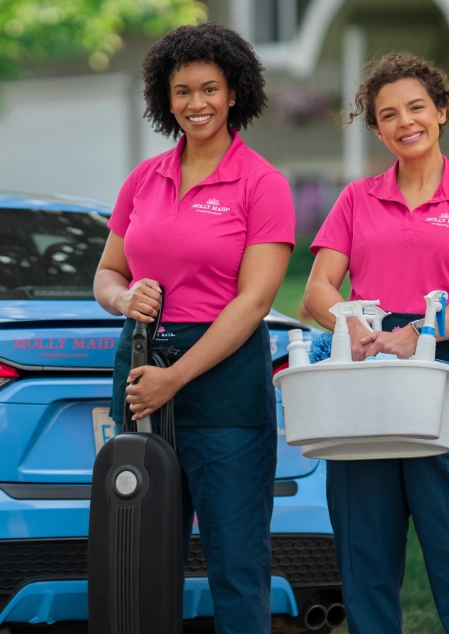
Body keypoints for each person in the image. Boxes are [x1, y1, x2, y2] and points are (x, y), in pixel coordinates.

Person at [92, 22, 295, 634]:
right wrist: (126, 296)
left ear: (235, 93)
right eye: (183, 91)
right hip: (142, 375)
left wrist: (173, 380)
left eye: (209, 89)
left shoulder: (263, 184)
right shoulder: (143, 180)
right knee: (140, 557)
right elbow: (106, 274)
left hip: (220, 385)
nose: (196, 104)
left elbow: (253, 303)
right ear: (165, 97)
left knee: (236, 564)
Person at [303, 52, 449, 633]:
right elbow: (317, 288)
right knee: (364, 564)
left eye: (417, 108)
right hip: (363, 390)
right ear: (376, 128)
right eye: (388, 114)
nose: (406, 122)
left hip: (447, 382)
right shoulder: (355, 200)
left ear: (442, 111)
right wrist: (348, 320)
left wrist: (416, 333)